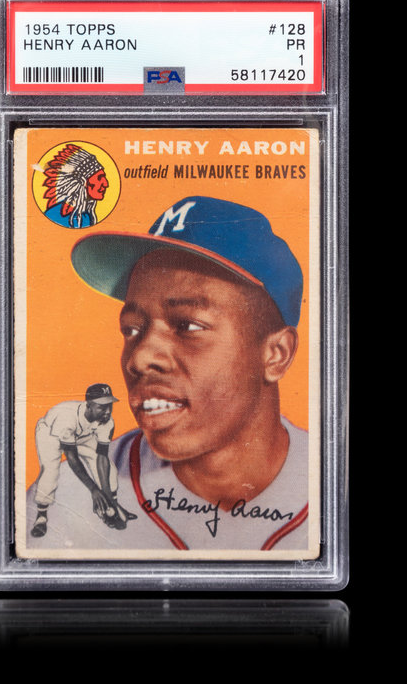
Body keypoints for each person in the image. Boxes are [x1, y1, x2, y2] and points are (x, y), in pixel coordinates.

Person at [60, 195, 313, 552]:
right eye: (131, 329)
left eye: (188, 325)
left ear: (276, 354)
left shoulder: (332, 485)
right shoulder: (71, 497)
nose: (140, 358)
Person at [30, 383, 136, 538]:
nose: (107, 411)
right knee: (50, 471)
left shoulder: (107, 421)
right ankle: (41, 515)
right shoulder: (67, 417)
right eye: (102, 407)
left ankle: (111, 505)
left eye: (109, 405)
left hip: (82, 434)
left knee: (109, 468)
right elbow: (72, 458)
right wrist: (93, 489)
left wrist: (106, 494)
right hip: (50, 433)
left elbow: (101, 457)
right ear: (89, 405)